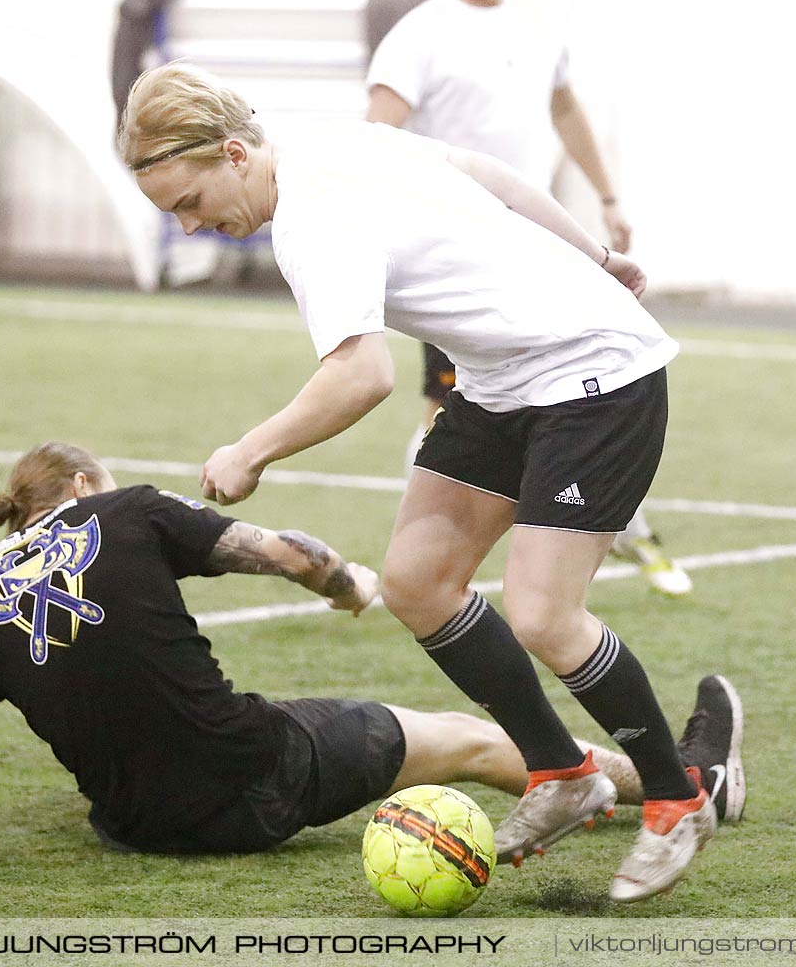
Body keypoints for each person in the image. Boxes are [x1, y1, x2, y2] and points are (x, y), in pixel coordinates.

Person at [120, 65, 743, 901]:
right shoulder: (313, 134)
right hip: (500, 380)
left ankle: (676, 798)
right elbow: (486, 176)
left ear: (234, 153)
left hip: (595, 375)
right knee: (417, 583)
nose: (193, 225)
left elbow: (362, 376)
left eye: (188, 203)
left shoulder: (309, 221)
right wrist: (595, 253)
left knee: (543, 614)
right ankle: (561, 770)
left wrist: (251, 450)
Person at [0, 442, 741, 859]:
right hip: (260, 772)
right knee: (464, 737)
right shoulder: (125, 511)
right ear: (83, 488)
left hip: (142, 833)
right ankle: (686, 780)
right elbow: (286, 554)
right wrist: (351, 585)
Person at [363, 0, 690, 597]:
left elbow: (565, 106)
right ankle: (427, 548)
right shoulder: (419, 33)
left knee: (579, 375)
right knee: (452, 405)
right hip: (454, 257)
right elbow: (377, 136)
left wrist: (607, 197)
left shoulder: (540, 23)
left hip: (533, 245)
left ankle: (612, 517)